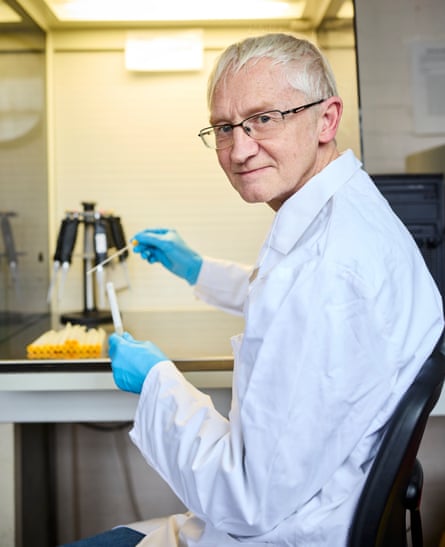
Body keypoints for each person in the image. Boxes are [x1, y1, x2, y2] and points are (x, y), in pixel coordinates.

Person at [61, 33, 444, 547]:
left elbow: (243, 501)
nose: (240, 149)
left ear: (326, 119)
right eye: (224, 127)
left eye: (264, 118)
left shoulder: (330, 272)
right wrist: (196, 269)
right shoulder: (346, 216)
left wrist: (157, 382)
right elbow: (286, 299)